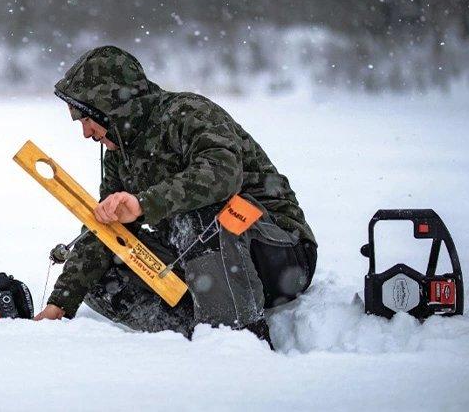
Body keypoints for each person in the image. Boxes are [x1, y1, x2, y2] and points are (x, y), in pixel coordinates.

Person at [32, 46, 317, 346]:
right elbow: (106, 229)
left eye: (86, 119)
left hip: (279, 256)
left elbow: (223, 174)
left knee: (202, 215)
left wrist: (143, 204)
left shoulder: (188, 113)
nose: (86, 133)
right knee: (101, 273)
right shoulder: (119, 154)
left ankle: (237, 344)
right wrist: (60, 304)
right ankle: (199, 333)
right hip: (203, 262)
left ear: (111, 106)